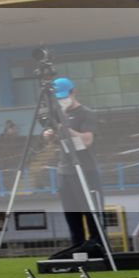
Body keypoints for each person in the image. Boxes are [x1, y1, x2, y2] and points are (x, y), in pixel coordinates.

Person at [42, 78, 105, 258]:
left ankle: (98, 249)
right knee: (72, 216)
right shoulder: (55, 114)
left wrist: (66, 128)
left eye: (64, 96)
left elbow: (87, 140)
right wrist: (49, 135)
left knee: (91, 214)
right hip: (65, 170)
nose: (62, 101)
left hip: (86, 170)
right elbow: (53, 141)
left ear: (73, 92)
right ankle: (78, 252)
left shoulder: (86, 113)